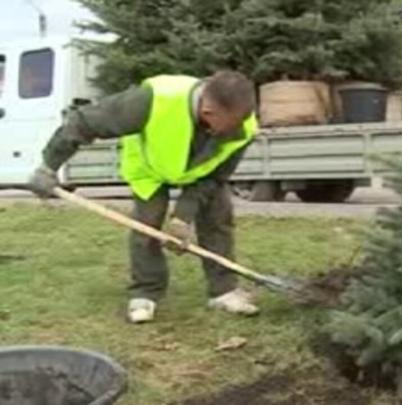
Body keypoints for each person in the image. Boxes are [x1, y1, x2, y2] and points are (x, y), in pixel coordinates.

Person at [27, 71, 260, 323]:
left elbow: (214, 177)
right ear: (208, 111)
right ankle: (146, 292)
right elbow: (82, 122)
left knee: (218, 219)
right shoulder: (153, 99)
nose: (236, 129)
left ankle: (223, 291)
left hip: (199, 175)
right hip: (149, 169)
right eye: (231, 124)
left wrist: (182, 217)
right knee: (147, 226)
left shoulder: (244, 128)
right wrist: (48, 166)